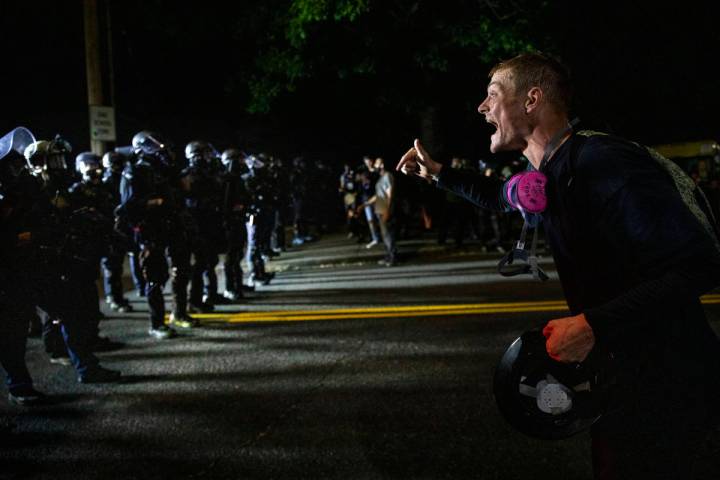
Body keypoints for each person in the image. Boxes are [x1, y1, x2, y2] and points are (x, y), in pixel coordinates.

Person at [397, 52, 720, 479]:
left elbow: (700, 265)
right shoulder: (548, 175)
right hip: (621, 382)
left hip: (676, 393)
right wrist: (438, 174)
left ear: (531, 100)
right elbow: (499, 196)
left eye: (492, 95)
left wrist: (592, 325)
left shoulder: (603, 162)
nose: (481, 107)